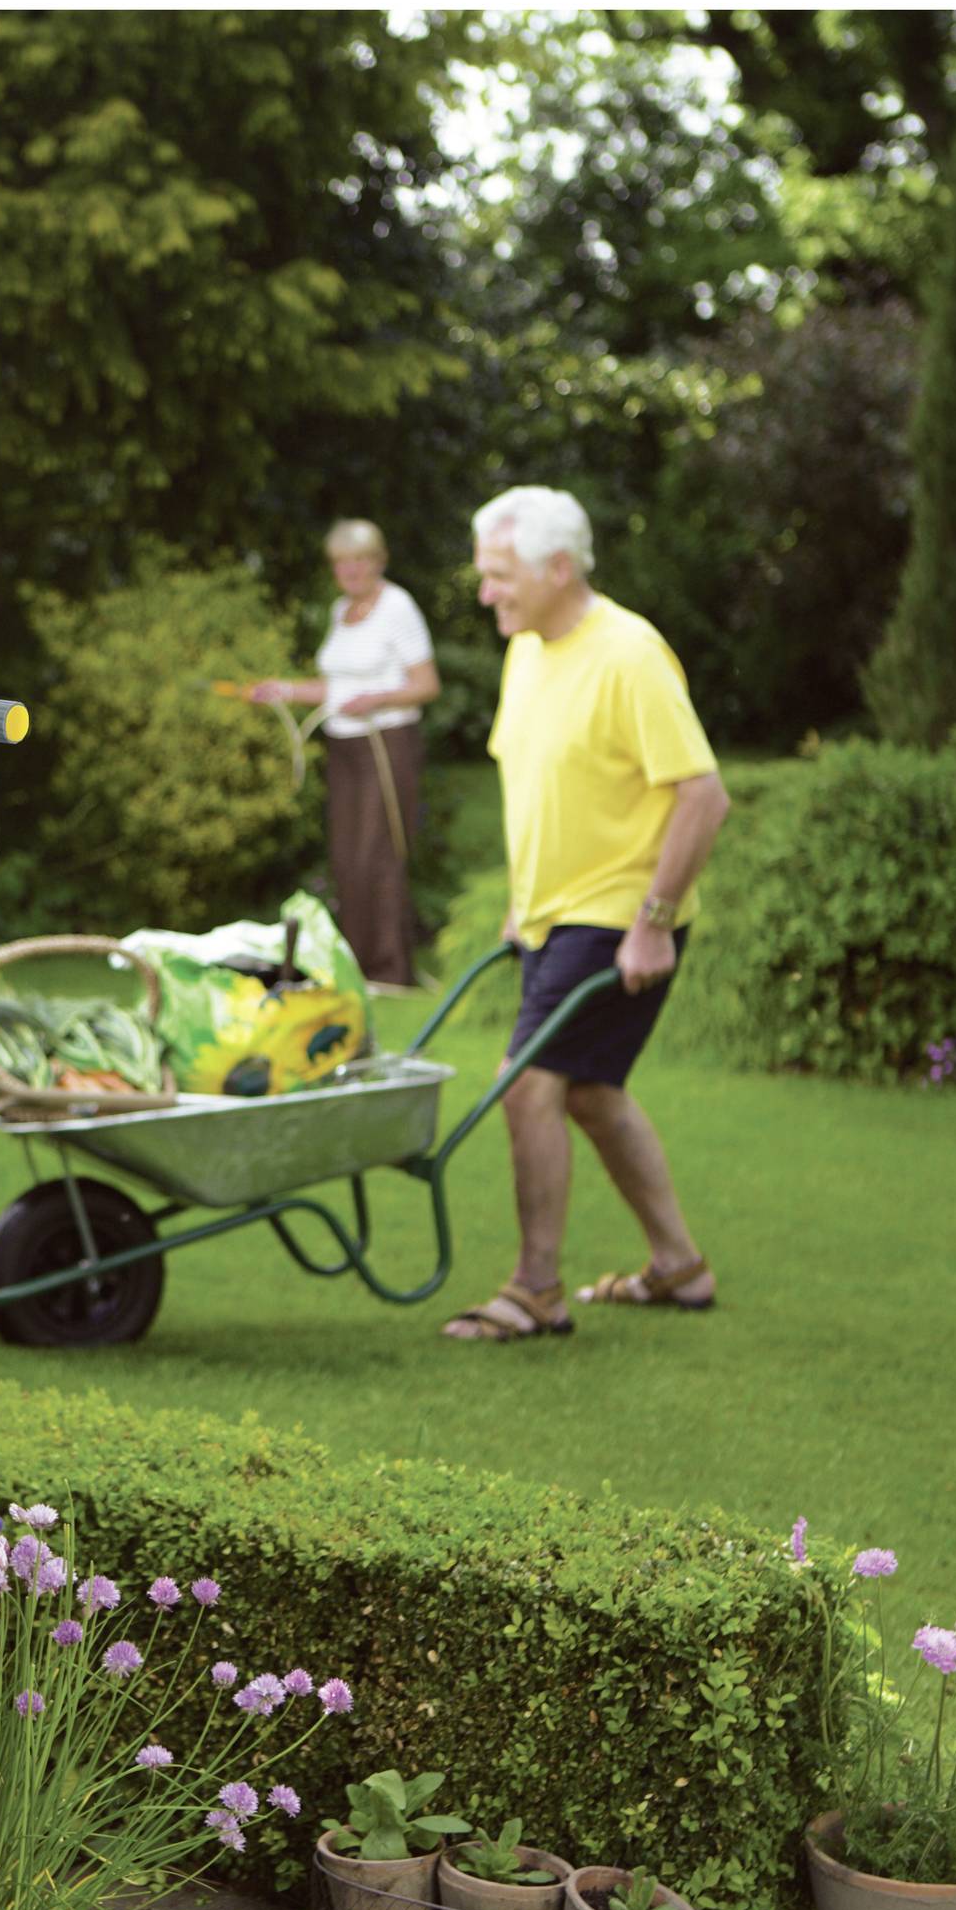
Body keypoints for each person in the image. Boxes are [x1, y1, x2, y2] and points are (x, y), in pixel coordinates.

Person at [442, 486, 732, 1345]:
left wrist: (652, 920)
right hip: (555, 916)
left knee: (528, 1085)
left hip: (615, 915)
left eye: (500, 576)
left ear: (558, 568)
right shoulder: (526, 650)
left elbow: (704, 796)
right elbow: (542, 786)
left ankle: (536, 1289)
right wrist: (519, 903)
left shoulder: (629, 655)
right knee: (593, 1095)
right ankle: (679, 1266)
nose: (486, 591)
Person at [244, 519, 440, 988]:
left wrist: (375, 699)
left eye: (359, 560)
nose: (350, 570)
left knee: (380, 852)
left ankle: (391, 971)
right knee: (347, 856)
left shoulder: (398, 607)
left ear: (378, 561)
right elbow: (336, 686)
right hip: (344, 745)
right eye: (341, 563)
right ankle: (355, 967)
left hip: (385, 742)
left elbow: (425, 685)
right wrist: (285, 690)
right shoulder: (339, 611)